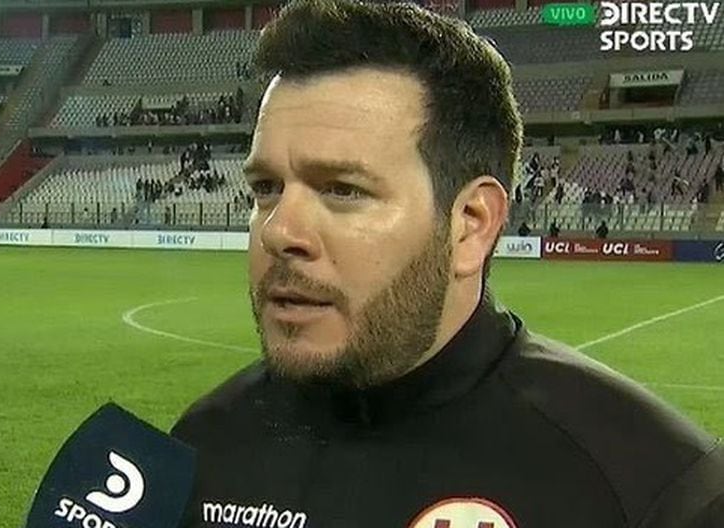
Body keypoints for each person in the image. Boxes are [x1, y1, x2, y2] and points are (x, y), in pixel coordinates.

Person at [170, 1, 724, 526]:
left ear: (471, 224)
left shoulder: (655, 490)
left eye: (342, 189)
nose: (278, 231)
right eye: (266, 188)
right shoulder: (202, 445)